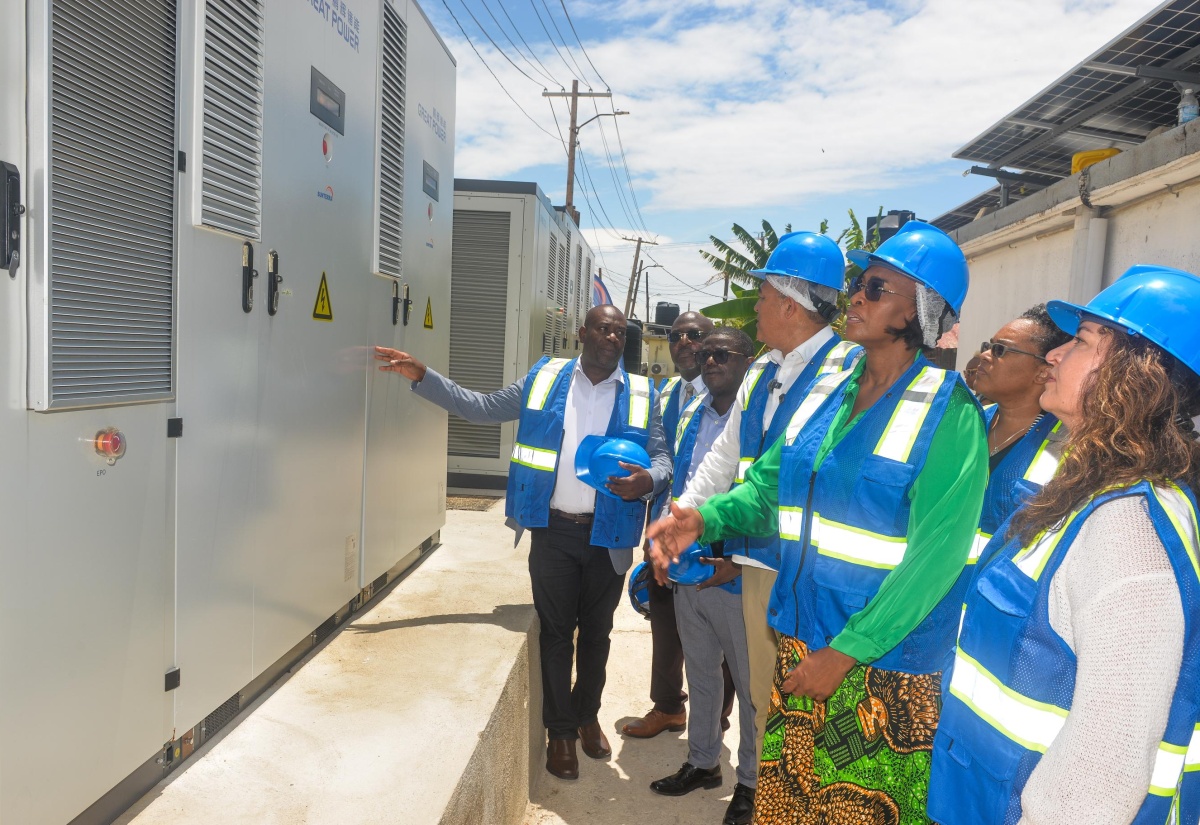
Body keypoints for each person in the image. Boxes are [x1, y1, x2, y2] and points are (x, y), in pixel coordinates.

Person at [650, 220, 988, 824]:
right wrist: (701, 518)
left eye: (877, 289)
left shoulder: (951, 413)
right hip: (801, 641)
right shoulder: (831, 387)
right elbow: (768, 487)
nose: (854, 297)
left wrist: (845, 653)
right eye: (859, 283)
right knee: (789, 808)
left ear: (922, 312)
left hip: (882, 669)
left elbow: (935, 560)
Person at [928, 265, 1200, 825]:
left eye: (1080, 342)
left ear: (1135, 374)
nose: (1054, 355)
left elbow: (1106, 771)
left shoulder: (1130, 532)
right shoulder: (1085, 489)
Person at [374, 304, 672, 781]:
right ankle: (560, 732)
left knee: (596, 635)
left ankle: (586, 715)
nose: (611, 337)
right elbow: (483, 406)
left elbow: (662, 457)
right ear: (582, 333)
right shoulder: (545, 377)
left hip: (609, 535)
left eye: (619, 331)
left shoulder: (641, 392)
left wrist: (650, 480)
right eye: (602, 328)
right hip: (553, 531)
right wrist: (423, 376)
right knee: (556, 635)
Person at [673, 231, 861, 760]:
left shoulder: (849, 370)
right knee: (763, 692)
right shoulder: (761, 370)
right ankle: (761, 793)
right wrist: (685, 512)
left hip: (812, 567)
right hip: (758, 557)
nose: (754, 308)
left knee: (814, 701)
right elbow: (724, 457)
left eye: (760, 297)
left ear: (789, 302)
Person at [647, 327, 758, 825]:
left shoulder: (761, 420)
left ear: (747, 361)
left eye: (723, 353)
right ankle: (703, 762)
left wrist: (736, 561)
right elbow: (684, 483)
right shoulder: (693, 411)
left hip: (734, 570)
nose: (710, 359)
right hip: (691, 568)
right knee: (702, 673)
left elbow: (766, 500)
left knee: (752, 686)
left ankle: (751, 784)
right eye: (706, 352)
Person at [625, 311, 737, 739]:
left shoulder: (739, 397)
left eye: (697, 336)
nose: (686, 343)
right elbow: (662, 459)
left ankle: (716, 719)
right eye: (676, 336)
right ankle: (668, 706)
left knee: (722, 635)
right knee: (665, 623)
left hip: (719, 530)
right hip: (668, 530)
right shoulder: (666, 394)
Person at [969, 304, 1072, 562]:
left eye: (1000, 350)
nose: (984, 356)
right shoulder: (968, 422)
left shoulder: (1067, 446)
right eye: (988, 346)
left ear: (1043, 372)